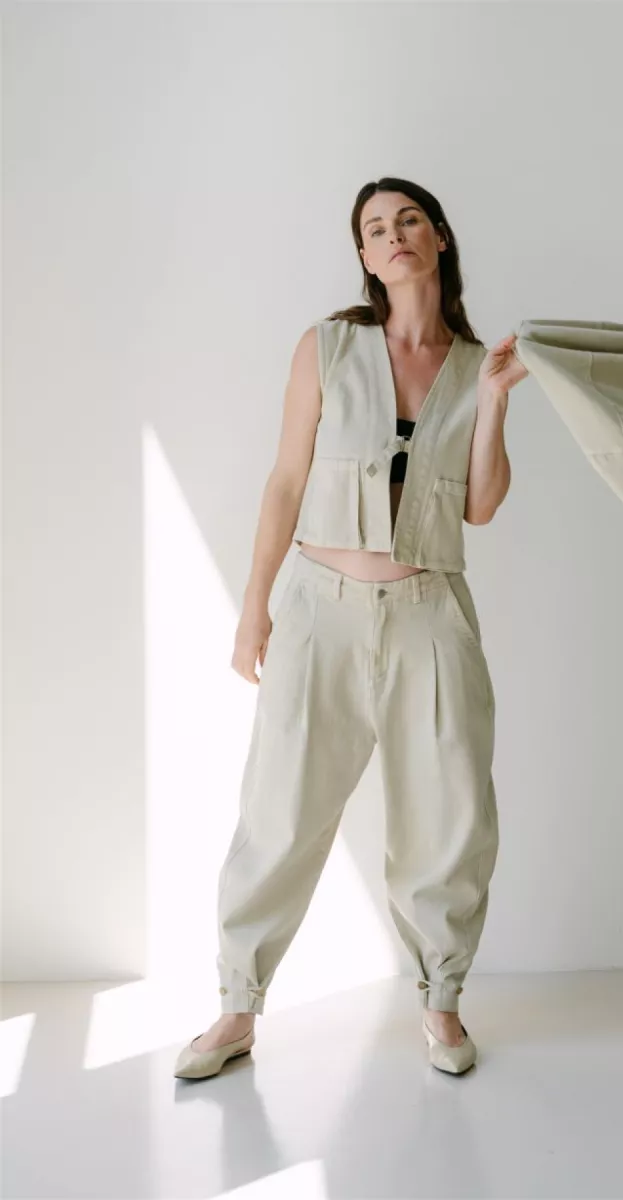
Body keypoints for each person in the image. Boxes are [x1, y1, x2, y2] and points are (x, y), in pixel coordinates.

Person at [174, 177, 529, 1080]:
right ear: (365, 257)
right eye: (375, 227)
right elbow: (286, 481)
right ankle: (236, 1007)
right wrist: (254, 606)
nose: (394, 233)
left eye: (408, 219)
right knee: (281, 808)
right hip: (318, 608)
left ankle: (441, 1002)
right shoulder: (328, 347)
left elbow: (482, 505)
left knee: (448, 811)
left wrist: (495, 401)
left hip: (431, 614)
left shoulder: (475, 363)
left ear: (439, 237)